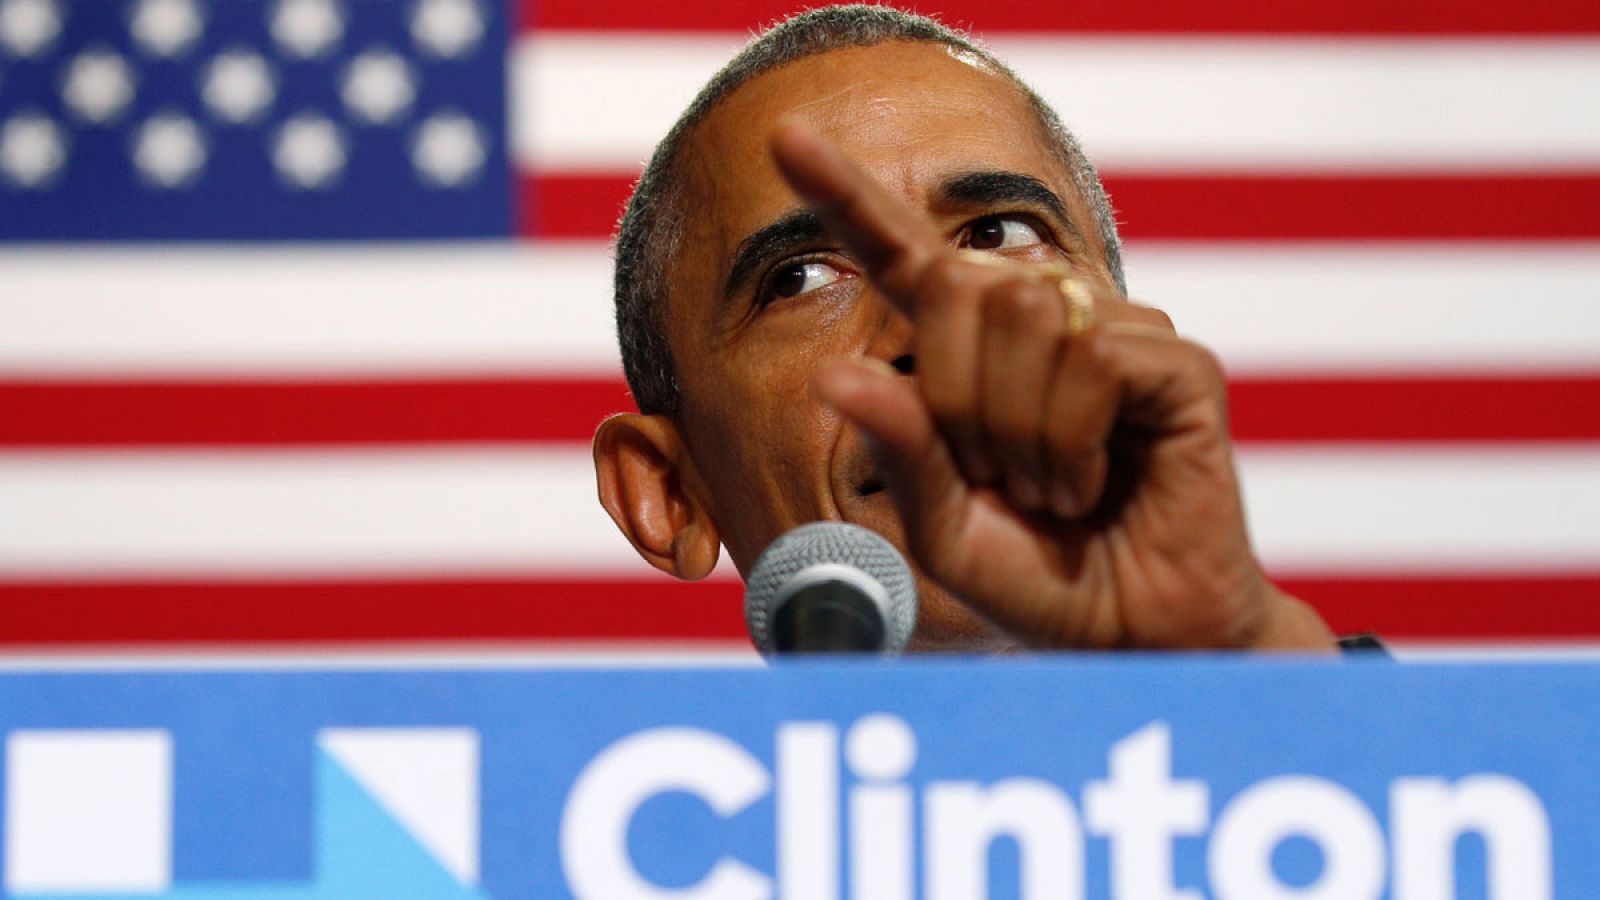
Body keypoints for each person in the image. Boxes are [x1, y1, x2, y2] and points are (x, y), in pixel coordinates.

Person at [591, 4, 1339, 653]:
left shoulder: (1407, 807)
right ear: (666, 493)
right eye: (801, 278)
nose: (930, 330)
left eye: (996, 235)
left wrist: (1238, 649)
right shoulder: (593, 818)